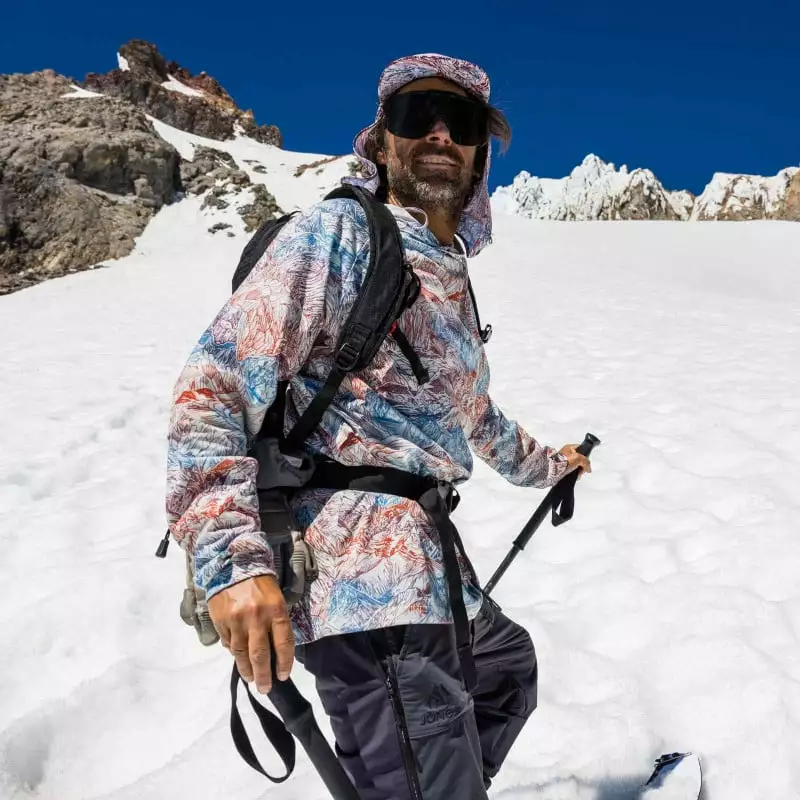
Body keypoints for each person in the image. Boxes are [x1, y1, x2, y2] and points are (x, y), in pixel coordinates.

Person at [166, 53, 592, 800]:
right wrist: (232, 562)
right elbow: (214, 386)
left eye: (461, 121)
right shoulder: (342, 234)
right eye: (414, 115)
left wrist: (551, 466)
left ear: (480, 150)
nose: (439, 134)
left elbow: (473, 415)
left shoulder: (444, 272)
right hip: (361, 578)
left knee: (505, 671)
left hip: (430, 569)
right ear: (381, 137)